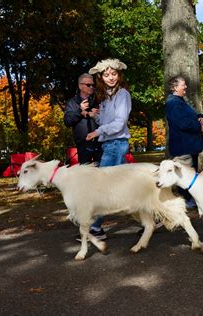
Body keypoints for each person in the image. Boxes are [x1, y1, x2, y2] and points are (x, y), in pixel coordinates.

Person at [83, 58, 132, 240]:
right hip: (109, 144)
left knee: (101, 187)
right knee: (128, 186)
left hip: (117, 144)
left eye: (113, 74)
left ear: (119, 75)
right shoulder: (105, 98)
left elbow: (119, 124)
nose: (110, 77)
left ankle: (95, 228)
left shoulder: (122, 95)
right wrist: (94, 116)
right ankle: (152, 216)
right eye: (106, 75)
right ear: (101, 78)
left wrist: (98, 131)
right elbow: (105, 121)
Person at [165, 75, 203, 207]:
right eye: (183, 84)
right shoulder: (173, 103)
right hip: (183, 146)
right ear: (175, 87)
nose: (186, 87)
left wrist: (200, 117)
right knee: (184, 174)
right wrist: (199, 127)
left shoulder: (180, 101)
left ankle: (190, 199)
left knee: (191, 171)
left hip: (190, 145)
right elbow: (183, 123)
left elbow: (191, 115)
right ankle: (186, 201)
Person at [64, 73, 102, 166]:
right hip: (83, 146)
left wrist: (101, 114)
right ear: (80, 86)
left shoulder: (97, 101)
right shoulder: (72, 103)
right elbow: (67, 122)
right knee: (86, 175)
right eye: (88, 85)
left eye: (93, 85)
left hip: (100, 144)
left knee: (102, 174)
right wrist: (79, 111)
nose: (92, 87)